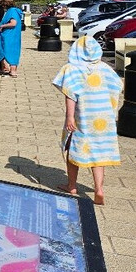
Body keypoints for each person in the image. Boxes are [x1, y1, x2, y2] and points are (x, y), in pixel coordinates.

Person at [51, 35, 124, 205]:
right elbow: (117, 86)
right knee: (99, 153)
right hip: (102, 119)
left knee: (72, 148)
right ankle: (99, 188)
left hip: (82, 116)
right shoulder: (105, 68)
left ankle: (72, 186)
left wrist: (70, 117)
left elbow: (70, 95)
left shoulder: (71, 69)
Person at [0, 0, 23, 77]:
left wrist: (3, 26)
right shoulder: (15, 11)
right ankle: (12, 71)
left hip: (10, 36)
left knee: (10, 51)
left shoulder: (12, 11)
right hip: (13, 35)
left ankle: (13, 71)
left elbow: (13, 23)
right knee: (13, 51)